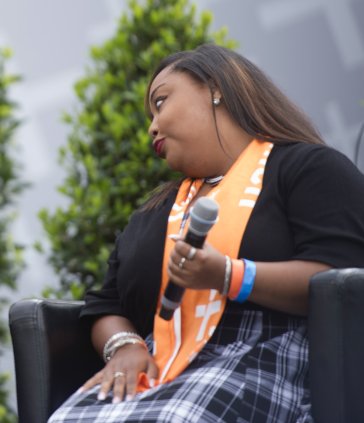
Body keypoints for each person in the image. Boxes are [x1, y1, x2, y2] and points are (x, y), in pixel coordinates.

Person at [48, 44, 364, 422]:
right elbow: (105, 305)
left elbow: (342, 281)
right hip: (158, 369)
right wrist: (125, 347)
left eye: (161, 102)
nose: (152, 126)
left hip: (261, 358)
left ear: (215, 88)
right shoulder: (152, 213)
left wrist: (228, 275)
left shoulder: (307, 167)